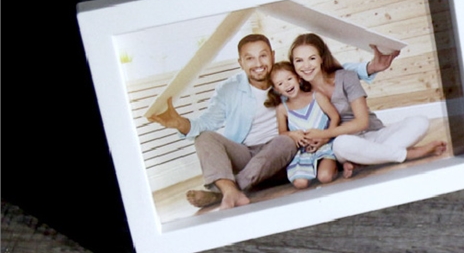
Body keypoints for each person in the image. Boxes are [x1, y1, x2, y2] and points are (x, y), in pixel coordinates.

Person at [148, 34, 398, 209]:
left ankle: (222, 191)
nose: (258, 64)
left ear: (272, 56)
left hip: (284, 155)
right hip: (247, 155)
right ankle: (230, 189)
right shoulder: (229, 89)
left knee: (284, 140)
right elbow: (205, 123)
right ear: (240, 63)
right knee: (204, 138)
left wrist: (370, 67)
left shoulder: (288, 77)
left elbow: (328, 70)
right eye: (250, 58)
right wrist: (178, 122)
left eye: (263, 56)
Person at [288, 33, 446, 177]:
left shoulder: (346, 77)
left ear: (322, 58)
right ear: (293, 64)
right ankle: (409, 154)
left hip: (375, 134)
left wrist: (324, 134)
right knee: (341, 144)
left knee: (420, 121)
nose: (306, 66)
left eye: (312, 58)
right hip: (346, 143)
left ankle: (366, 160)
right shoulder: (298, 92)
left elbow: (362, 122)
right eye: (299, 60)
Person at [267, 61, 340, 189]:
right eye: (280, 83)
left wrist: (326, 137)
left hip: (326, 145)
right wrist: (293, 134)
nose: (286, 84)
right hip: (304, 152)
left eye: (289, 79)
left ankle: (336, 165)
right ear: (277, 90)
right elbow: (282, 133)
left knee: (325, 177)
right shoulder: (282, 109)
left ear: (298, 78)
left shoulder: (316, 97)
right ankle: (312, 169)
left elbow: (335, 116)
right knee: (300, 183)